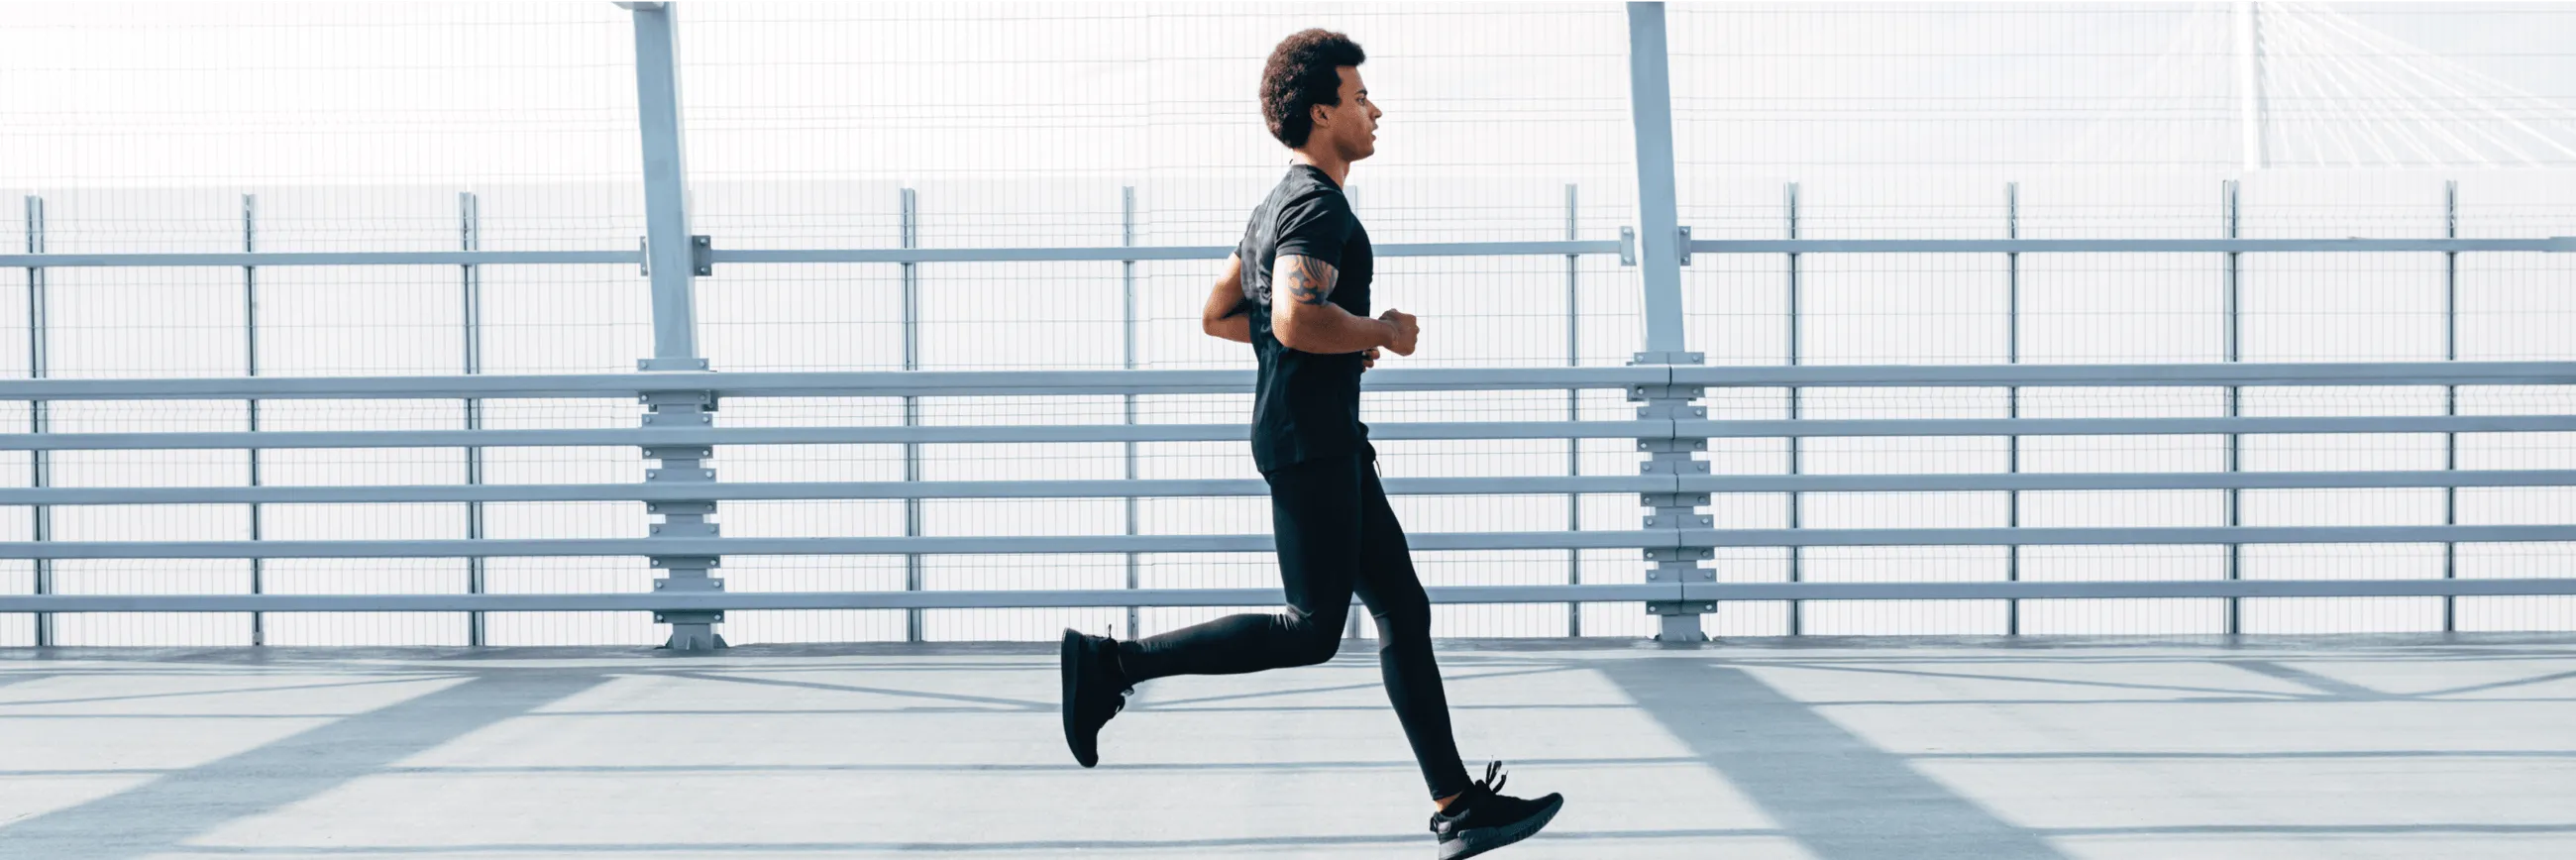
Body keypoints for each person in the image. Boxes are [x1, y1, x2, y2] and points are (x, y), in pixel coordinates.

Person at [1058, 28, 1563, 860]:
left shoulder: (1274, 205)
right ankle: (1110, 665)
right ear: (1323, 112)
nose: (1374, 110)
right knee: (1310, 630)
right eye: (1359, 97)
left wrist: (1336, 340)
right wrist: (1380, 331)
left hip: (1323, 434)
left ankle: (1457, 805)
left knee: (1402, 607)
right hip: (1310, 439)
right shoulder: (1317, 207)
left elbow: (1225, 314)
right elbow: (1293, 318)